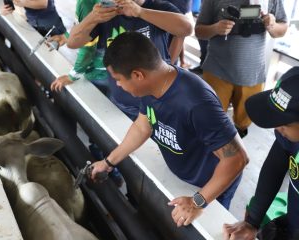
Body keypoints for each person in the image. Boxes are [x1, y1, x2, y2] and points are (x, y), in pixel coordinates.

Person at [90, 32, 248, 226]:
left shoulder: (196, 102)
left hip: (210, 185)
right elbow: (142, 126)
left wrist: (198, 202)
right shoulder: (152, 86)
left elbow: (237, 158)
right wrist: (108, 162)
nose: (118, 85)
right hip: (183, 175)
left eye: (118, 79)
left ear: (138, 75)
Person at [67, 0, 192, 120]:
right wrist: (92, 17)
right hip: (122, 104)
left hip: (158, 103)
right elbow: (72, 42)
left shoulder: (157, 7)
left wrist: (140, 12)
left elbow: (186, 28)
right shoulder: (106, 16)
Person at [223, 67, 299, 240]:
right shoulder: (289, 137)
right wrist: (253, 221)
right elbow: (275, 166)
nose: (277, 129)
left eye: (284, 124)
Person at [195, 0, 288, 138]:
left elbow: (283, 28)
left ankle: (236, 143)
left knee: (243, 122)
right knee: (210, 119)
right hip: (216, 70)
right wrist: (215, 28)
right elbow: (199, 30)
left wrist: (272, 25)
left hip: (252, 73)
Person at [50, 0, 108, 94]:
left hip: (101, 71)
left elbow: (88, 48)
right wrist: (66, 36)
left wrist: (72, 76)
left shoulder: (85, 3)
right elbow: (90, 26)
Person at [1, 0, 67, 47]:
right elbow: (12, 5)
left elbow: (44, 3)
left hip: (48, 22)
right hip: (33, 23)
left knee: (50, 47)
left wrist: (24, 3)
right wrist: (7, 10)